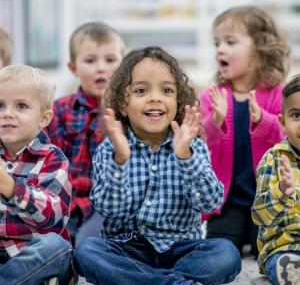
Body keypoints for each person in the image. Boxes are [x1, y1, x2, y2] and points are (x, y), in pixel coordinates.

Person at [73, 46, 241, 285]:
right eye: (141, 90)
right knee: (87, 252)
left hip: (182, 249)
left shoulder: (193, 147)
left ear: (178, 101)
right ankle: (174, 283)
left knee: (226, 253)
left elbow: (210, 202)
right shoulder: (111, 150)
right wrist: (120, 162)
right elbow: (110, 210)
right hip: (128, 249)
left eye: (167, 90)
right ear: (123, 103)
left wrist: (186, 158)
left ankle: (145, 281)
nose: (155, 97)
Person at [199, 5, 290, 257]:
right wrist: (214, 122)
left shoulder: (278, 95)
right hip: (228, 203)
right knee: (220, 249)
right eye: (217, 42)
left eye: (230, 42)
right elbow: (198, 146)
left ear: (260, 49)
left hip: (269, 199)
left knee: (271, 247)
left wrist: (263, 120)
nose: (220, 49)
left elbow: (289, 142)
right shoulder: (211, 96)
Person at [47, 21, 124, 245]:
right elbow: (51, 157)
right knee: (53, 244)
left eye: (110, 60)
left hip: (106, 205)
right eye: (90, 61)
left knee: (87, 246)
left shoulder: (129, 111)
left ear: (123, 64)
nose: (101, 68)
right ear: (73, 68)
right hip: (64, 200)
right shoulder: (59, 109)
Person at [0, 65, 72, 284]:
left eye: (21, 106)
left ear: (44, 118)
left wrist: (11, 188)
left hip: (31, 251)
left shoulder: (53, 158)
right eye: (0, 105)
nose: (7, 113)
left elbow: (54, 217)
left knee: (56, 246)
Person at [252, 74, 300, 285]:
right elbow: (259, 216)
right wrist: (281, 191)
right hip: (283, 248)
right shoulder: (273, 159)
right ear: (282, 122)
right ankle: (292, 273)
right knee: (285, 262)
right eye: (297, 115)